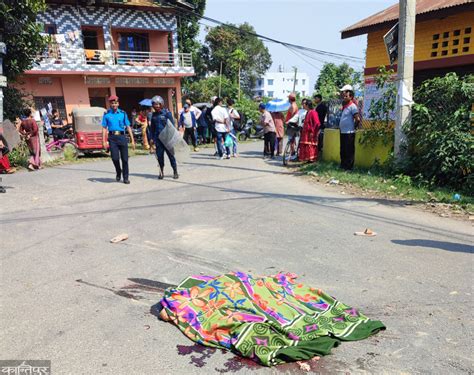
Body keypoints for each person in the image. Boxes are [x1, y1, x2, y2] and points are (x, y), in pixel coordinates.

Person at [101, 95, 135, 184]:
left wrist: (132, 140)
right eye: (112, 103)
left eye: (115, 103)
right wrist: (103, 141)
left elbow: (128, 126)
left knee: (125, 159)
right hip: (112, 138)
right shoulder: (107, 115)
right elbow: (104, 128)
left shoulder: (123, 113)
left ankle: (125, 177)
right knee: (115, 158)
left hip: (122, 137)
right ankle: (118, 171)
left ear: (118, 103)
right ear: (110, 104)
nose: (114, 105)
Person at [148, 95, 179, 179]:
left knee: (171, 156)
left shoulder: (167, 114)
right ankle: (161, 171)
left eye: (158, 104)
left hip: (167, 139)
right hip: (158, 140)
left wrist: (173, 138)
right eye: (155, 104)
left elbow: (172, 126)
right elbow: (152, 129)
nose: (157, 106)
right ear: (153, 105)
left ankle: (175, 171)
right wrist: (151, 138)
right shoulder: (153, 116)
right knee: (160, 157)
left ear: (162, 104)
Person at [339, 84, 361, 170]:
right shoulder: (345, 106)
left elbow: (357, 119)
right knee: (343, 150)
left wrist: (353, 127)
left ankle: (349, 167)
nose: (344, 97)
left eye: (346, 96)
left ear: (351, 97)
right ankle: (343, 165)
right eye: (344, 95)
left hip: (349, 132)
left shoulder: (353, 106)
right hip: (343, 131)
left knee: (349, 151)